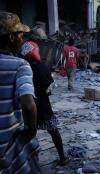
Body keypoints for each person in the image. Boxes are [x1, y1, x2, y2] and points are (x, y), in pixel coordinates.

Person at [21, 29, 69, 166]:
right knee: (53, 131)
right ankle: (62, 157)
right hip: (43, 106)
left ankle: (29, 161)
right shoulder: (42, 67)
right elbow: (49, 89)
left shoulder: (21, 65)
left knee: (29, 133)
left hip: (26, 106)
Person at [0, 12, 40, 173]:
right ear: (11, 38)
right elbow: (29, 106)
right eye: (21, 35)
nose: (22, 40)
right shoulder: (19, 65)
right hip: (9, 148)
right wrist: (31, 131)